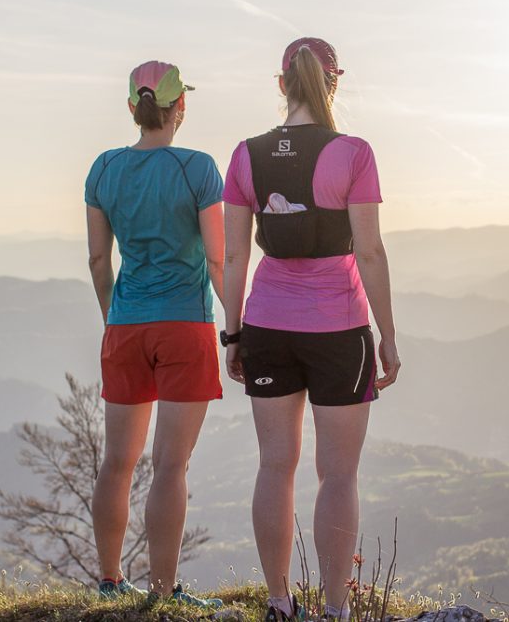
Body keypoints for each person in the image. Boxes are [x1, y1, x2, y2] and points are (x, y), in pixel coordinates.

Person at [222, 37, 402, 622]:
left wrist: (233, 335)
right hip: (338, 328)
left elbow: (232, 259)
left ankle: (278, 604)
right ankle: (333, 611)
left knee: (275, 464)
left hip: (267, 323)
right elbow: (369, 251)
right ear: (334, 84)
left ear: (282, 85)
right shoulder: (353, 152)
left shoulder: (246, 155)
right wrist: (388, 337)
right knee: (338, 472)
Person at [84, 60, 224, 606]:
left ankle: (110, 581)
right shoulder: (198, 168)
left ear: (131, 109)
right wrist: (235, 326)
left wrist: (111, 318)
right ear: (179, 108)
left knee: (116, 463)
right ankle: (164, 594)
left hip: (125, 326)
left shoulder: (103, 169)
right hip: (186, 325)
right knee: (170, 465)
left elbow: (99, 259)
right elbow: (218, 258)